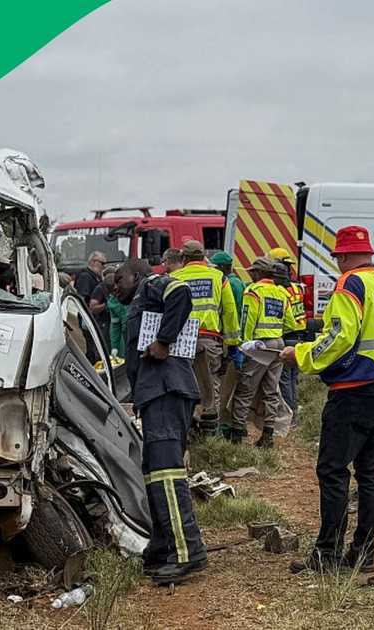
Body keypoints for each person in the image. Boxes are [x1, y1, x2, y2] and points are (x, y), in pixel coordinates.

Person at [281, 225, 374, 573]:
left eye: (337, 258)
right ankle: (364, 553)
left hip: (354, 391)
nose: (337, 263)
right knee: (371, 472)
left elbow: (339, 336)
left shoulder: (351, 284)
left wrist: (301, 355)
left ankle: (326, 555)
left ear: (344, 255)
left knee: (333, 471)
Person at [113, 259, 206, 584]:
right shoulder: (140, 300)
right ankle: (165, 545)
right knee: (154, 473)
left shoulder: (150, 285)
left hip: (167, 391)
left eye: (119, 279)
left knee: (167, 473)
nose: (115, 286)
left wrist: (164, 341)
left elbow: (180, 291)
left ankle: (187, 551)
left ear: (136, 275)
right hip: (156, 395)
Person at [170, 240, 241, 435]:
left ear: (184, 258)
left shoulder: (174, 277)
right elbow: (229, 312)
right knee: (211, 388)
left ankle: (188, 429)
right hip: (210, 341)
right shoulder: (219, 277)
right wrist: (233, 345)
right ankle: (209, 436)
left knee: (184, 385)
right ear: (203, 257)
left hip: (181, 342)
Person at [229, 257, 296, 447]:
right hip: (278, 344)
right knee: (271, 390)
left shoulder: (253, 291)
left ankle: (237, 433)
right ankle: (268, 434)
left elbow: (247, 320)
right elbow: (290, 323)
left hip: (259, 346)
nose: (250, 274)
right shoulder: (281, 292)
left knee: (245, 389)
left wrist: (244, 344)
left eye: (252, 272)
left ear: (259, 273)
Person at [270, 246, 307, 427]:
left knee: (285, 381)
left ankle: (289, 418)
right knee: (292, 380)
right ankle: (295, 416)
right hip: (299, 337)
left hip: (287, 336)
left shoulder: (280, 291)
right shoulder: (297, 288)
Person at [211, 251, 246, 425]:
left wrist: (229, 344)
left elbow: (229, 312)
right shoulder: (238, 282)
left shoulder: (229, 283)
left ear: (223, 267)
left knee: (224, 386)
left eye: (216, 267)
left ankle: (222, 424)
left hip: (227, 338)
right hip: (236, 337)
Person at [89, 269, 113, 356]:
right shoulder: (100, 288)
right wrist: (107, 305)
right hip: (103, 323)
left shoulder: (118, 286)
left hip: (113, 323)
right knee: (103, 349)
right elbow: (93, 307)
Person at [104, 271, 128, 359]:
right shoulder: (112, 302)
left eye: (116, 289)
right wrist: (114, 347)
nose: (116, 293)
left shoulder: (135, 292)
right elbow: (115, 325)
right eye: (113, 291)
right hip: (127, 334)